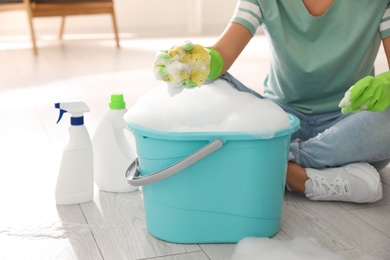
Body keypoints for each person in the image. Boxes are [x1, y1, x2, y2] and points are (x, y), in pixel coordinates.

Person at [154, 0, 390, 203]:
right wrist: (201, 62)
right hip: (280, 121)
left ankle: (277, 165)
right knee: (210, 85)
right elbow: (223, 55)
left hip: (349, 127)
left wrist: (387, 83)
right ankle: (303, 174)